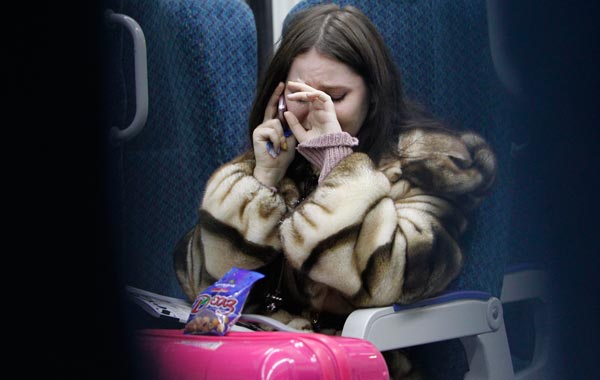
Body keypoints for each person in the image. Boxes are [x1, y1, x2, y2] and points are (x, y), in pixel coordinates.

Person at [173, 3, 496, 378]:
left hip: (379, 365)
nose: (317, 111)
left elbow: (393, 280)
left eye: (336, 97)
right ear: (279, 96)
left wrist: (338, 169)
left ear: (373, 96)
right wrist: (261, 182)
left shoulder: (431, 165)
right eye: (302, 95)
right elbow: (202, 289)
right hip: (272, 363)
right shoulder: (275, 164)